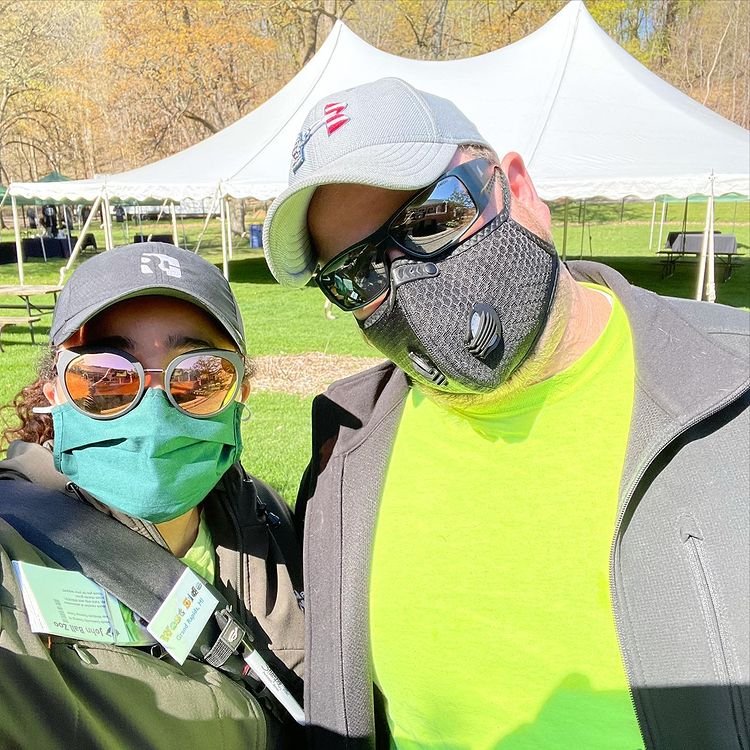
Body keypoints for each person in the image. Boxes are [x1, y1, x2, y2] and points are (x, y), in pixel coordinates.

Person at [262, 78, 750, 749]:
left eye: (432, 221)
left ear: (516, 188)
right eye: (357, 274)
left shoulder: (733, 390)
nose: (403, 279)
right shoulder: (345, 456)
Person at [0, 242, 304, 748]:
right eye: (108, 378)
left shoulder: (274, 519)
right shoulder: (14, 542)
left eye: (198, 376)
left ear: (240, 396)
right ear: (56, 395)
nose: (156, 408)